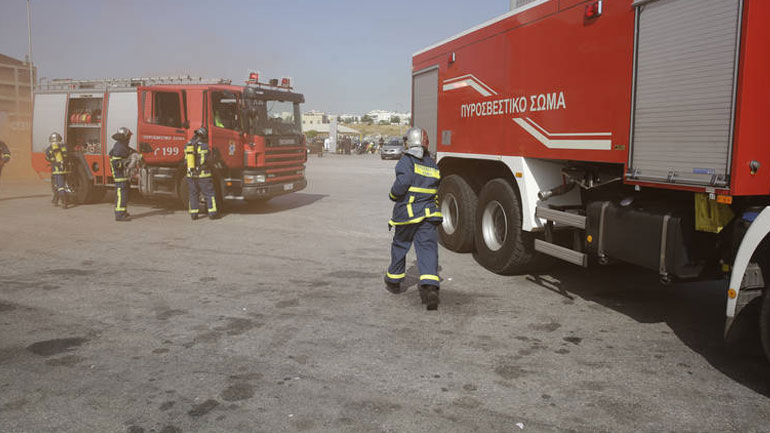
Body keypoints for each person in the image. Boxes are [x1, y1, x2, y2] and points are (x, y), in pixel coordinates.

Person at [384, 127, 443, 310]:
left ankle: (394, 280)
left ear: (409, 142)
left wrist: (393, 195)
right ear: (425, 143)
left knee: (400, 245)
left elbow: (403, 183)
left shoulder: (406, 161)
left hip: (407, 214)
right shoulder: (432, 164)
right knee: (427, 247)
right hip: (428, 215)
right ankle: (431, 287)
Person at [185, 127, 219, 220]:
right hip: (203, 175)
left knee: (193, 194)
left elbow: (185, 160)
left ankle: (193, 214)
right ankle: (212, 214)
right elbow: (208, 160)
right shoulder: (204, 146)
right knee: (209, 194)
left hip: (191, 175)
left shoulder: (188, 146)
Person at [109, 127, 137, 222]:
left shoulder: (121, 145)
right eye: (128, 136)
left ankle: (123, 212)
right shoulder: (119, 147)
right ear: (125, 137)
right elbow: (116, 163)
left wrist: (136, 154)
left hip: (122, 175)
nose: (129, 138)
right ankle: (120, 215)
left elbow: (129, 150)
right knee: (121, 194)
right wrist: (127, 163)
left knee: (124, 194)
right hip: (119, 176)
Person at [44, 132, 70, 209]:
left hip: (56, 170)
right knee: (62, 185)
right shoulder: (64, 146)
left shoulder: (50, 148)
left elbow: (47, 158)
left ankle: (64, 202)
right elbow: (67, 155)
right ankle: (55, 200)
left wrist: (51, 159)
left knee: (59, 186)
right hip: (65, 169)